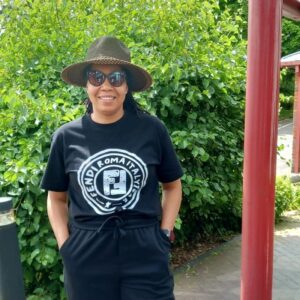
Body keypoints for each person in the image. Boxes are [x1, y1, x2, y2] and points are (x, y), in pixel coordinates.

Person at [41, 36, 183, 300]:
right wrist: (66, 246)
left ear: (127, 85)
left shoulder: (152, 130)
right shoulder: (66, 137)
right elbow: (56, 198)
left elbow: (172, 186)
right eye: (96, 77)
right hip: (87, 252)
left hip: (145, 250)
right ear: (86, 84)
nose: (106, 86)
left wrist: (163, 233)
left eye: (116, 77)